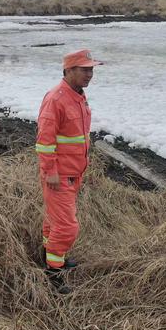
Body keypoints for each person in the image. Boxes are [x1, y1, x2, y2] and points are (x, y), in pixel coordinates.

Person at [36, 49, 103, 293]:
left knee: (54, 221)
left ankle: (51, 255)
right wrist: (50, 171)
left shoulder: (78, 96)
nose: (90, 74)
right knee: (67, 227)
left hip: (75, 172)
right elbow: (44, 140)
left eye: (92, 69)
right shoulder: (56, 98)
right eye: (85, 69)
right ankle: (53, 274)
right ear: (69, 70)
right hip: (59, 174)